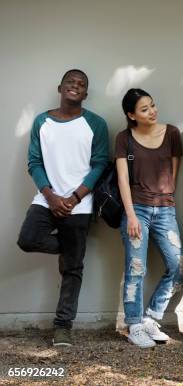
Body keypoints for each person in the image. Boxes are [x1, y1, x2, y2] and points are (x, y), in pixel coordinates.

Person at [17, 69, 109, 346]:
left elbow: (100, 162)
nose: (76, 86)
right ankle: (68, 250)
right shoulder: (42, 121)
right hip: (47, 199)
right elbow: (34, 162)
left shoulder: (96, 123)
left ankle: (62, 327)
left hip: (79, 205)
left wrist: (76, 197)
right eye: (71, 82)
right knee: (28, 239)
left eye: (81, 84)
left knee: (73, 269)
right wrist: (52, 196)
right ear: (60, 87)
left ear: (86, 93)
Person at [115, 88, 183, 348]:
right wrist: (131, 215)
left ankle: (150, 318)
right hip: (136, 210)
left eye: (153, 106)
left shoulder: (172, 134)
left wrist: (167, 195)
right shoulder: (124, 138)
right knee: (136, 269)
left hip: (165, 210)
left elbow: (174, 168)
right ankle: (133, 324)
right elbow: (122, 178)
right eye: (144, 109)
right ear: (131, 115)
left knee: (178, 267)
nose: (152, 112)